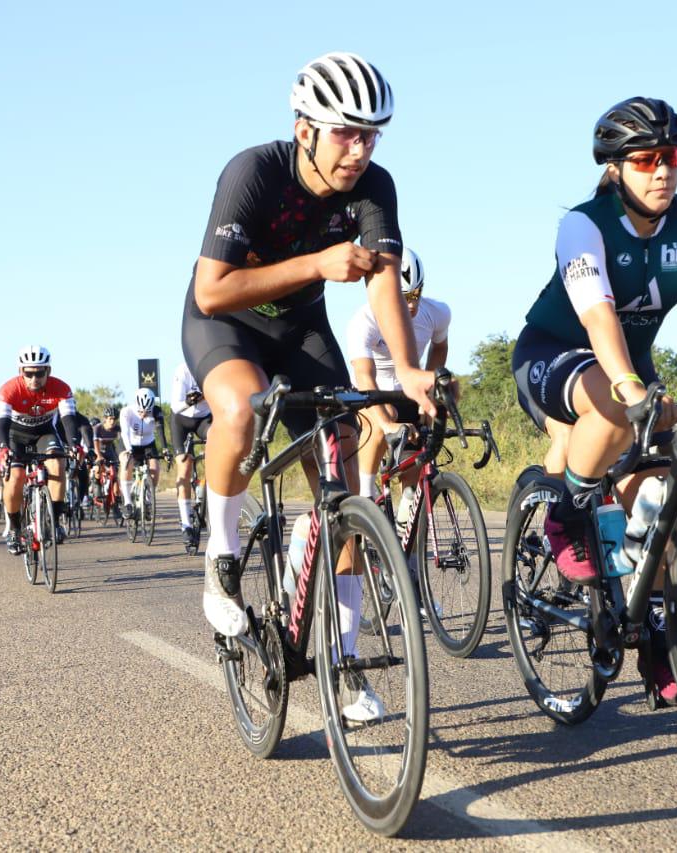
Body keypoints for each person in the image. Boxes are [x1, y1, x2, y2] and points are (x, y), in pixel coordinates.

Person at [180, 52, 436, 723]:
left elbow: (382, 276)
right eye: (346, 134)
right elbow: (213, 289)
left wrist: (407, 370)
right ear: (305, 130)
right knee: (240, 407)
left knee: (345, 479)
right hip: (226, 324)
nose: (360, 150)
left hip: (300, 330)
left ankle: (344, 663)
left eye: (372, 134)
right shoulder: (253, 173)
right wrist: (319, 262)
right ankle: (223, 554)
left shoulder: (376, 185)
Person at [511, 97, 677, 704]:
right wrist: (632, 391)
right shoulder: (583, 224)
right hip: (555, 350)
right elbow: (600, 318)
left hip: (632, 362)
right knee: (609, 405)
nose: (663, 171)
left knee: (658, 501)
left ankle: (649, 629)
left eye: (672, 156)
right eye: (647, 159)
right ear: (616, 169)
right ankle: (565, 514)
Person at [346, 246, 451, 499]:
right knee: (385, 417)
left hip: (406, 392)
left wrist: (428, 398)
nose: (412, 303)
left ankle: (407, 512)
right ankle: (365, 493)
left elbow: (440, 348)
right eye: (404, 296)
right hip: (369, 393)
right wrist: (386, 423)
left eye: (416, 293)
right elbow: (364, 376)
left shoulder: (437, 313)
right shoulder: (365, 320)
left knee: (418, 444)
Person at [0, 346, 82, 554]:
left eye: (40, 373)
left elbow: (69, 420)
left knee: (57, 463)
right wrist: (3, 447)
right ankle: (15, 529)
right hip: (16, 435)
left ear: (48, 371)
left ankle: (56, 520)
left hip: (44, 433)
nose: (34, 378)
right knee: (16, 476)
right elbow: (2, 424)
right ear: (20, 372)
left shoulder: (61, 388)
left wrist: (75, 444)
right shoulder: (8, 390)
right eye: (29, 373)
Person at [170, 362, 211, 547]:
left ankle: (205, 493)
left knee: (218, 449)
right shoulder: (183, 371)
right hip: (182, 419)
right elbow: (176, 406)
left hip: (205, 418)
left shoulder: (213, 365)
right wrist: (189, 401)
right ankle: (186, 524)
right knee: (185, 467)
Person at [118, 387, 167, 520]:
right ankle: (127, 502)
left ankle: (148, 498)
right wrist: (128, 450)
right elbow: (125, 433)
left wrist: (165, 449)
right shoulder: (126, 412)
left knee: (155, 469)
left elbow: (160, 430)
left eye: (147, 411)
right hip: (129, 443)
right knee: (126, 463)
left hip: (148, 444)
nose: (144, 414)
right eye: (141, 411)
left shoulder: (156, 411)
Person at [91, 407, 123, 522]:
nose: (112, 421)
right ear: (105, 419)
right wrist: (99, 456)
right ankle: (97, 484)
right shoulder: (98, 428)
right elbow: (96, 445)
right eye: (110, 419)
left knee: (114, 474)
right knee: (98, 467)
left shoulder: (118, 428)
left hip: (110, 450)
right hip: (99, 449)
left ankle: (115, 504)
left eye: (114, 419)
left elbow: (122, 442)